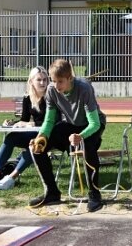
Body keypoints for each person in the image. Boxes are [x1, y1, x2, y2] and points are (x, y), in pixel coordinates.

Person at [28, 59, 106, 212]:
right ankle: (52, 192)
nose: (56, 86)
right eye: (53, 81)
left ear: (70, 78)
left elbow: (94, 123)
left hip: (92, 125)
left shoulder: (84, 88)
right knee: (37, 149)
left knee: (88, 146)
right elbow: (49, 120)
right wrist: (41, 137)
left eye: (60, 82)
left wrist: (80, 136)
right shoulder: (51, 91)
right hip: (71, 124)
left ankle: (94, 194)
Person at [0, 66, 48, 192]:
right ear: (31, 81)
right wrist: (13, 123)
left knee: (33, 145)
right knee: (11, 137)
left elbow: (54, 120)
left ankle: (10, 179)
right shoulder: (28, 97)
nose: (42, 83)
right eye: (39, 80)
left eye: (45, 80)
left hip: (47, 135)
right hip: (33, 132)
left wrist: (33, 124)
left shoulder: (51, 96)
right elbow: (24, 119)